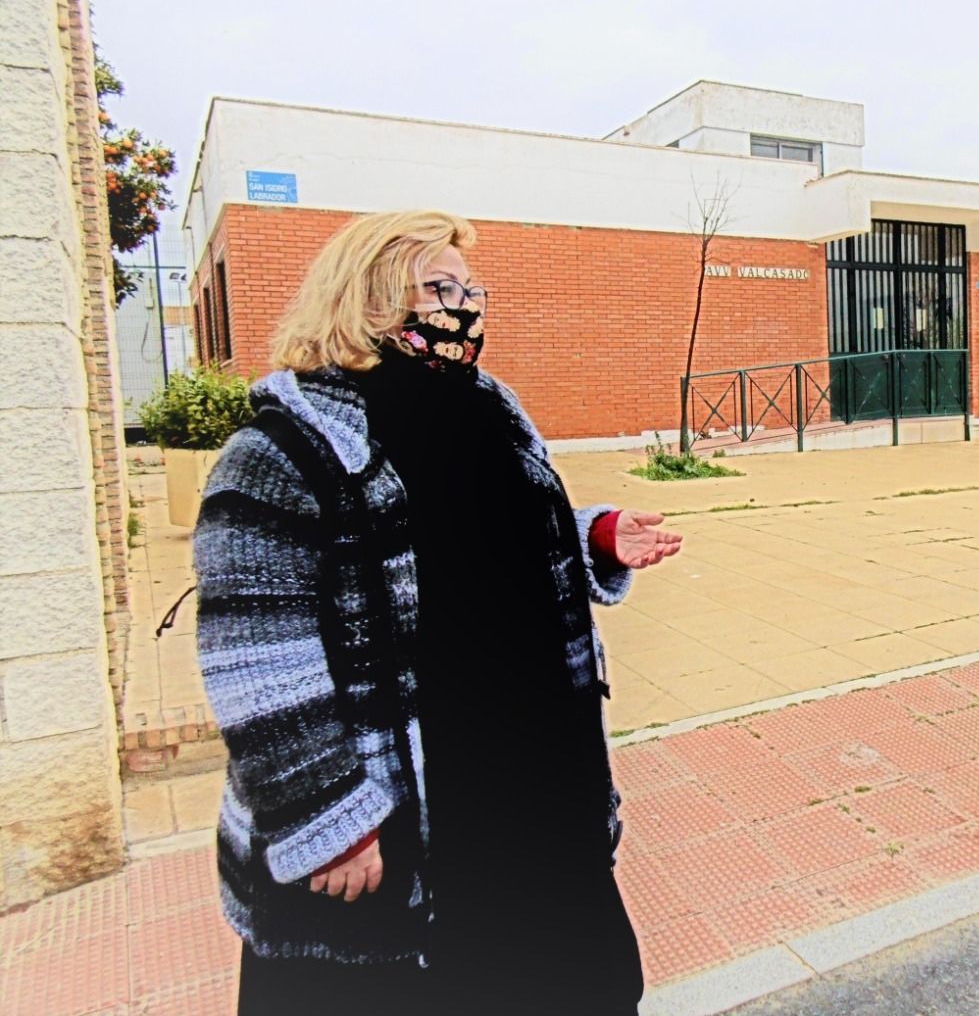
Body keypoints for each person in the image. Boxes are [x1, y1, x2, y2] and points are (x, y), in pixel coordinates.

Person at [193, 210, 682, 1015]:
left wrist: (593, 533)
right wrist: (328, 816)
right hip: (405, 814)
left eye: (469, 288)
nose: (464, 307)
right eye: (439, 287)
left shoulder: (490, 409)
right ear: (370, 296)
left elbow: (494, 537)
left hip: (536, 785)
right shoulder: (281, 449)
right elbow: (253, 657)